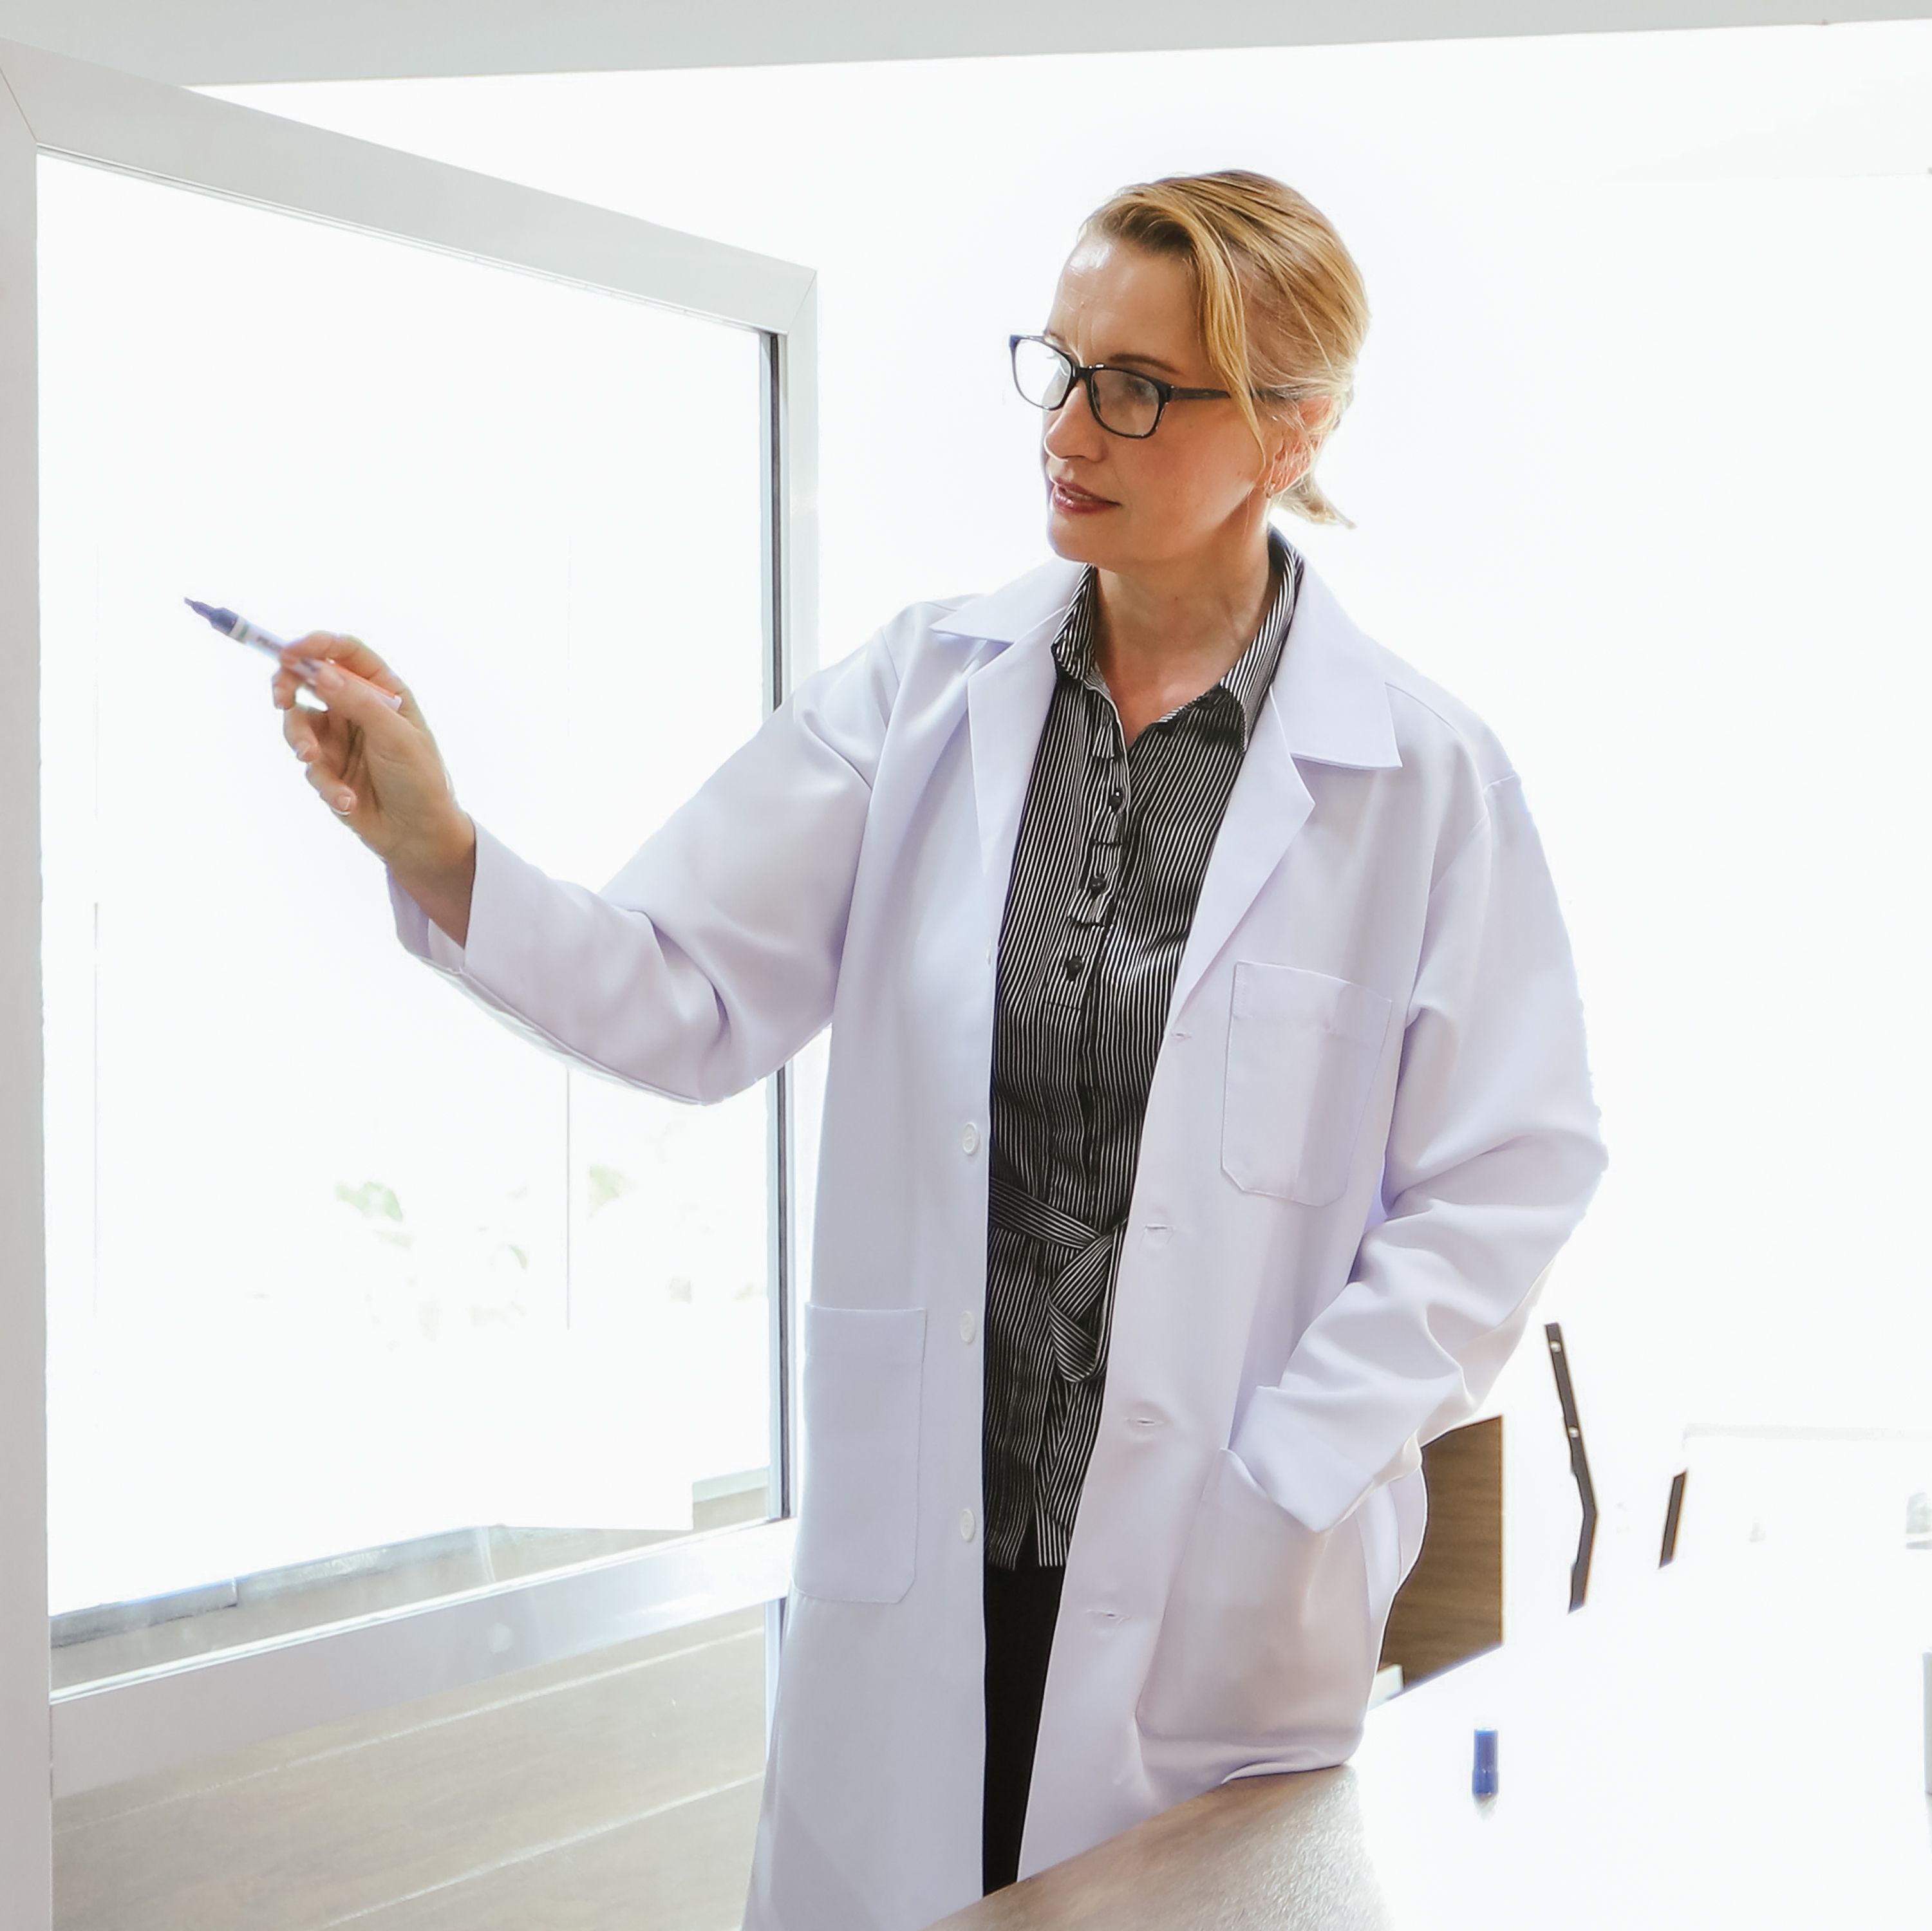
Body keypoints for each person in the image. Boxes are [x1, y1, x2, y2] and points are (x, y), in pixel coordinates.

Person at [266, 171, 1604, 1931]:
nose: (1072, 424)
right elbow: (681, 993)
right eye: (1058, 364)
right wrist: (439, 848)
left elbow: (1506, 1177)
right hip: (929, 1572)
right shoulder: (920, 697)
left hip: (1221, 1571)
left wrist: (1293, 1457)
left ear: (1293, 430)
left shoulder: (1420, 780)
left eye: (1138, 386)